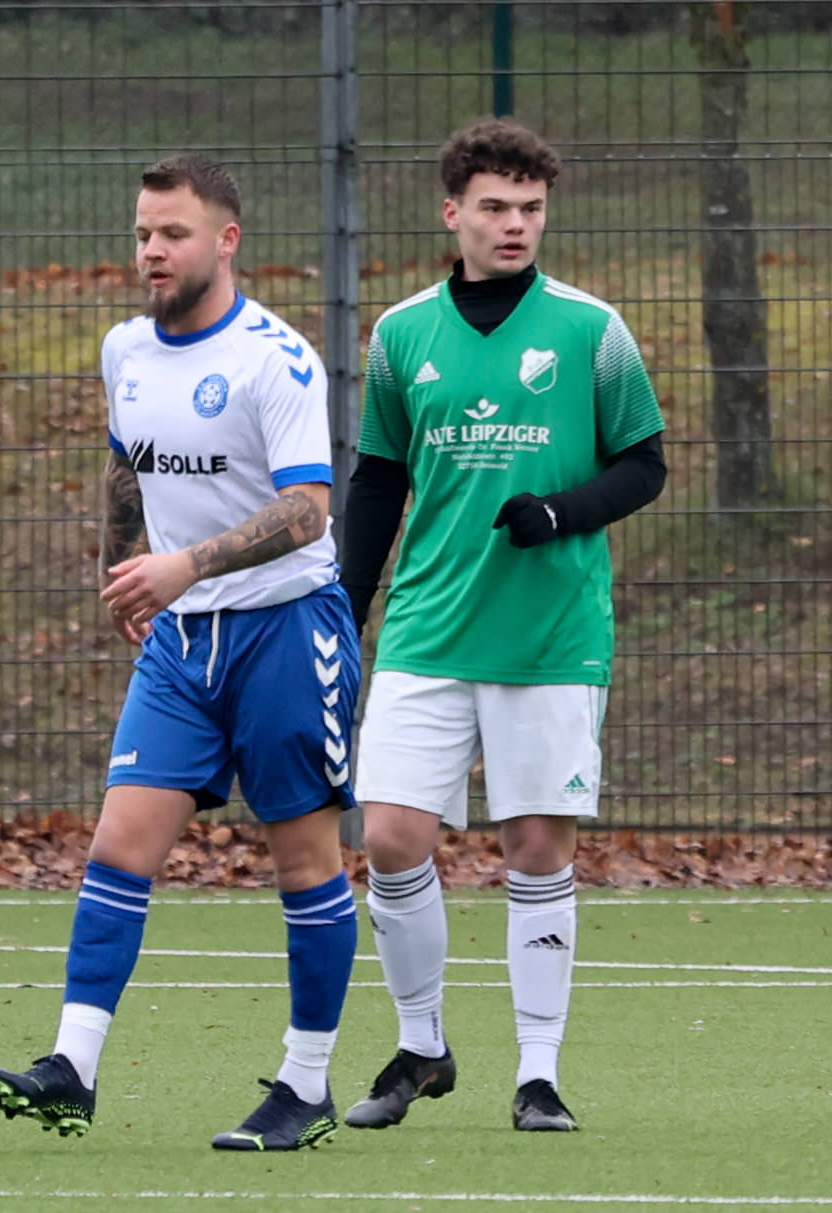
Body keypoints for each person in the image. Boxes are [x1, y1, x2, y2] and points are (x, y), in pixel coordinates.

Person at [0, 154, 361, 1151]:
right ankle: (71, 1066)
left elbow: (308, 509)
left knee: (303, 860)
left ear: (225, 241)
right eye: (143, 232)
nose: (152, 249)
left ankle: (305, 1084)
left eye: (173, 233)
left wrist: (184, 563)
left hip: (286, 629)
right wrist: (120, 566)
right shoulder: (125, 349)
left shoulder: (276, 360)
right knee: (119, 844)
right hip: (182, 643)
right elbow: (124, 460)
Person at [338, 119, 666, 1134]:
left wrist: (560, 512)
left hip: (550, 634)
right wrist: (344, 608)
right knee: (389, 836)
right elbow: (377, 482)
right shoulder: (400, 334)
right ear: (452, 213)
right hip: (426, 626)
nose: (514, 223)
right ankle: (421, 1046)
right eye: (493, 206)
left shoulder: (591, 330)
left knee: (533, 846)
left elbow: (643, 464)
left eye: (530, 207)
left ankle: (537, 1075)